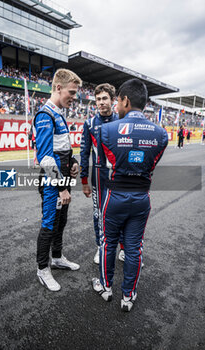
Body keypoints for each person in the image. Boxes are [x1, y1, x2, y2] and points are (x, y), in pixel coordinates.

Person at [92, 78, 168, 311]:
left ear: (125, 100)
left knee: (108, 243)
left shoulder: (105, 130)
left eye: (117, 101)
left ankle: (106, 288)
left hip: (114, 196)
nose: (115, 106)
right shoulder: (162, 134)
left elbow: (102, 164)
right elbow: (152, 164)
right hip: (141, 198)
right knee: (134, 248)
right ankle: (128, 296)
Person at [33, 68, 82, 292]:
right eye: (72, 92)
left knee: (61, 222)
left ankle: (57, 257)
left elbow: (62, 148)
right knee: (49, 223)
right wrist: (62, 187)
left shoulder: (59, 114)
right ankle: (43, 269)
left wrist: (72, 161)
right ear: (58, 88)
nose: (74, 97)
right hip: (53, 183)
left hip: (63, 179)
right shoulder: (45, 115)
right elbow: (45, 156)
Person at [80, 83, 124, 264]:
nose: (101, 102)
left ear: (113, 100)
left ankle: (123, 249)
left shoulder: (122, 122)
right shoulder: (89, 124)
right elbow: (84, 153)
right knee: (98, 214)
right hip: (98, 178)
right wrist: (84, 180)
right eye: (98, 99)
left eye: (105, 98)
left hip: (119, 177)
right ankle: (101, 247)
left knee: (121, 213)